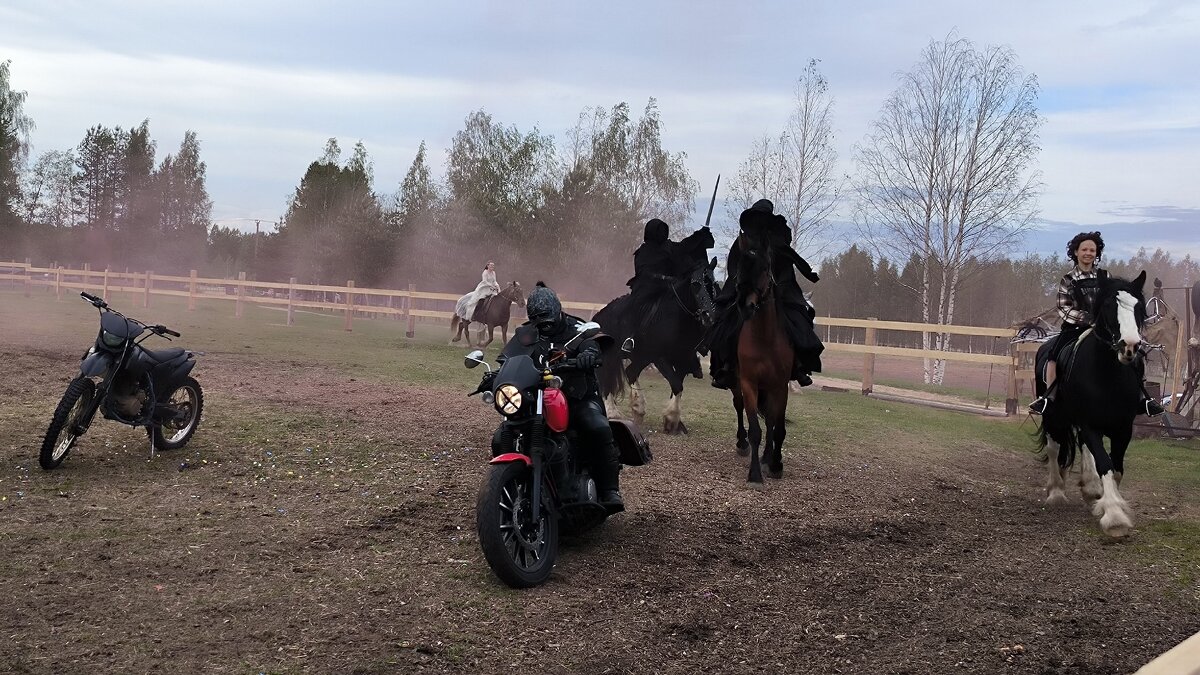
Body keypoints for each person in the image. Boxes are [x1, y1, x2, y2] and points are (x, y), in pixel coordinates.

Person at [495, 282, 625, 512]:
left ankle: (609, 489)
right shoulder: (526, 333)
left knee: (596, 426)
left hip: (577, 396)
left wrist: (589, 353)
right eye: (537, 319)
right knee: (501, 436)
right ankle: (509, 485)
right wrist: (496, 373)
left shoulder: (576, 327)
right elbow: (508, 359)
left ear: (557, 310)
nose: (543, 324)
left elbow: (593, 341)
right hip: (537, 399)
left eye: (546, 318)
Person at [1028, 231, 1165, 417]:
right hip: (1074, 328)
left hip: (1105, 329)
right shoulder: (1068, 279)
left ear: (1097, 253)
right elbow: (1064, 308)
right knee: (1053, 355)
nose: (1088, 253)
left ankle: (1143, 398)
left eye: (1092, 250)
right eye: (1084, 249)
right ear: (1076, 252)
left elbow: (1116, 303)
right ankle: (1049, 397)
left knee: (1136, 353)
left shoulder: (1106, 277)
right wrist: (1089, 319)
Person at [707, 199, 823, 389]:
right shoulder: (742, 242)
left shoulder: (776, 240)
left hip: (780, 292)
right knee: (724, 321)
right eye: (756, 217)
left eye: (763, 217)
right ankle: (725, 367)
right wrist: (741, 285)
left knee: (800, 318)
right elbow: (734, 266)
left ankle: (799, 365)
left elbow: (791, 261)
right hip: (745, 290)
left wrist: (802, 275)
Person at [625, 218, 715, 329]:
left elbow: (685, 246)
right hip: (648, 289)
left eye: (664, 231)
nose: (662, 234)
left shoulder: (669, 247)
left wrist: (700, 234)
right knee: (636, 311)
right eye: (659, 231)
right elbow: (644, 272)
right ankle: (632, 337)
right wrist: (663, 278)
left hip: (670, 288)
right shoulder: (644, 252)